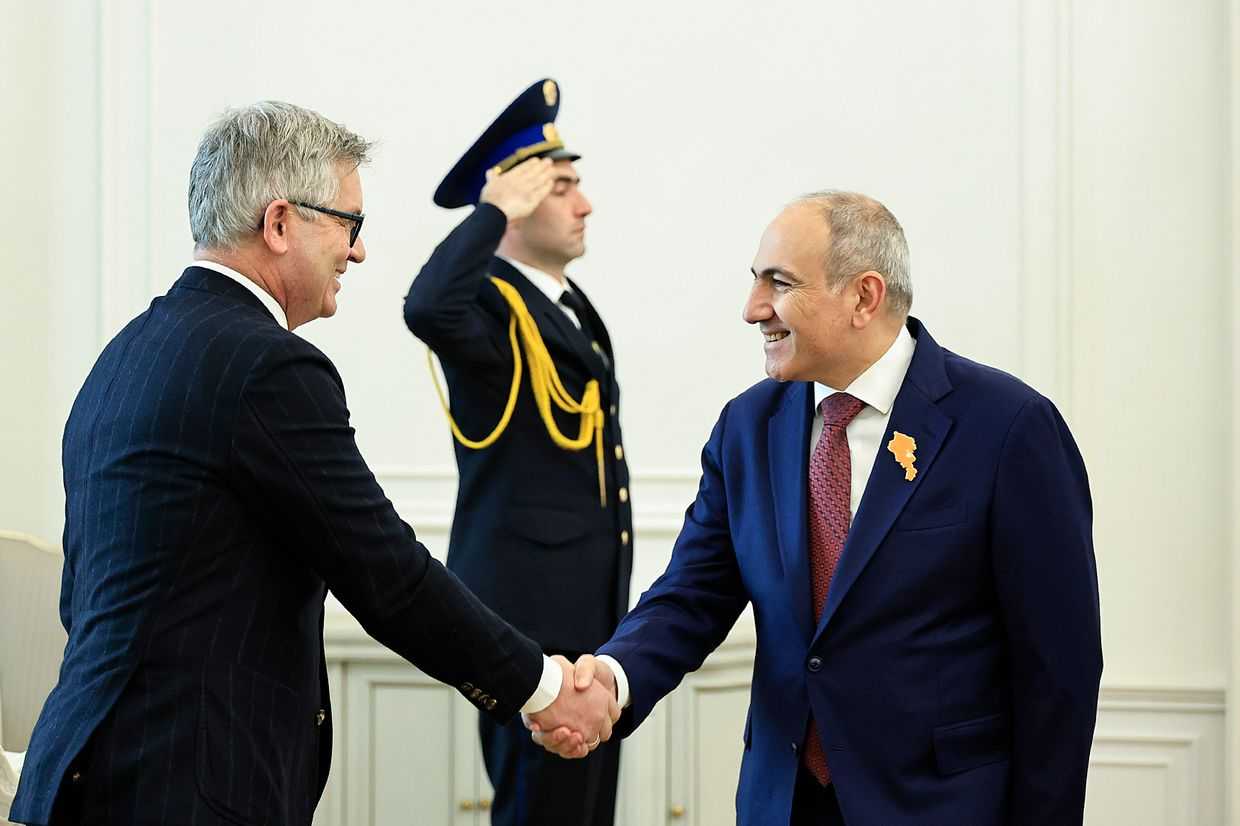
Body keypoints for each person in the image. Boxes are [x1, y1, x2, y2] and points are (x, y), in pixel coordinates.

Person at [9, 101, 616, 826]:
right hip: (188, 783)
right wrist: (542, 687)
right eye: (348, 225)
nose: (357, 252)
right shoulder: (267, 366)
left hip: (82, 774)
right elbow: (385, 572)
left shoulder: (126, 354)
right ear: (279, 223)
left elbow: (83, 597)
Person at [537, 192, 1104, 825]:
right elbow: (692, 596)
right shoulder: (747, 426)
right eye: (755, 281)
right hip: (783, 803)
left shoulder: (1009, 428)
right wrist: (613, 679)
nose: (753, 309)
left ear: (864, 296)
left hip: (939, 806)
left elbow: (1059, 671)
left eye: (778, 283)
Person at [404, 78, 631, 826]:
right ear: (519, 199)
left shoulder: (566, 305)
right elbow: (425, 306)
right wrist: (494, 207)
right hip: (528, 623)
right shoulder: (490, 305)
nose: (584, 203)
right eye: (560, 187)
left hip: (585, 616)